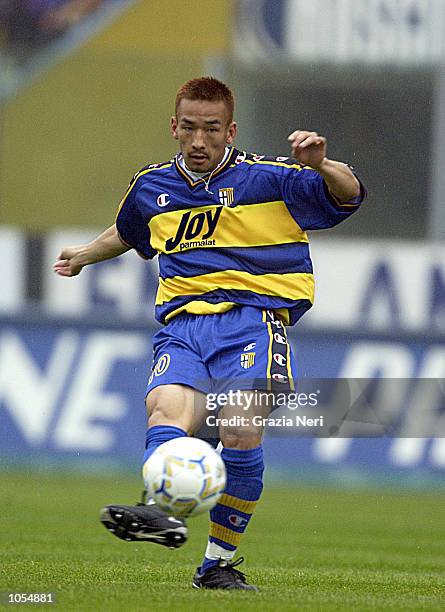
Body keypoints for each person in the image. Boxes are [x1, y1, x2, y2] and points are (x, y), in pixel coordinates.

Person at [54, 76, 365, 591]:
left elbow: (349, 193)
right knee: (166, 411)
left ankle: (217, 564)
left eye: (212, 130)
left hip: (252, 319)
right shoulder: (151, 187)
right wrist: (85, 254)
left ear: (230, 130)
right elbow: (130, 233)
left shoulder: (272, 178)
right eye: (190, 129)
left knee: (240, 428)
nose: (200, 141)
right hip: (183, 327)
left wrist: (323, 165)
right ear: (174, 127)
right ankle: (158, 509)